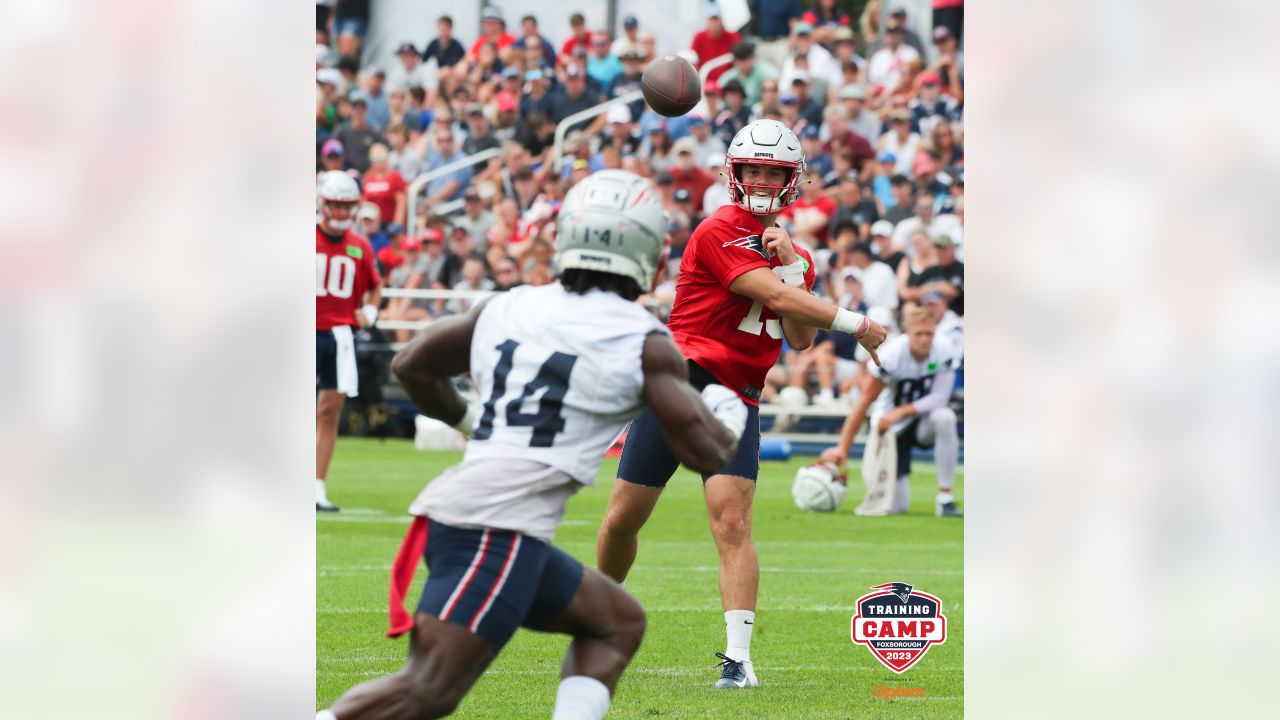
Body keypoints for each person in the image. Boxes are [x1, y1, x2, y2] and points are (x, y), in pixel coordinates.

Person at [317, 170, 743, 720]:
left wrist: (472, 418)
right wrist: (729, 409)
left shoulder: (512, 305)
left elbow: (411, 363)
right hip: (497, 530)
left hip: (489, 520)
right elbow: (707, 453)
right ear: (650, 255)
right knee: (425, 691)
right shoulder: (641, 340)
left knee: (616, 623)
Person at [594, 119, 888, 689]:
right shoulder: (717, 229)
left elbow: (798, 337)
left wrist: (794, 266)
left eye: (772, 171)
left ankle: (738, 658)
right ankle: (600, 611)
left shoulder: (791, 253)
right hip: (680, 382)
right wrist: (857, 323)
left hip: (738, 395)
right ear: (735, 173)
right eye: (753, 168)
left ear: (789, 180)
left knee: (732, 522)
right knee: (623, 518)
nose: (760, 178)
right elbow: (774, 297)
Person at [820, 307, 963, 517]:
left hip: (923, 422)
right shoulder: (893, 355)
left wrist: (904, 411)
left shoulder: (943, 348)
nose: (924, 339)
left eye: (929, 333)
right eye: (919, 334)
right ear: (907, 332)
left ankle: (945, 499)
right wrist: (843, 447)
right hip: (890, 429)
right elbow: (864, 401)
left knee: (945, 417)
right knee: (895, 506)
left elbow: (940, 397)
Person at [315, 172, 382, 512]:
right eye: (335, 205)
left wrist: (370, 310)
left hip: (340, 334)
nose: (340, 213)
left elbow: (375, 284)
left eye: (346, 206)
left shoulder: (360, 245)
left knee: (329, 412)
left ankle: (316, 487)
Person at [691, 7, 741, 84]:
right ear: (707, 20)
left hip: (727, 82)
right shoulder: (699, 37)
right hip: (703, 80)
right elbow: (692, 60)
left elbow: (740, 58)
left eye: (717, 19)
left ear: (722, 20)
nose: (714, 23)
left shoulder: (733, 37)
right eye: (712, 19)